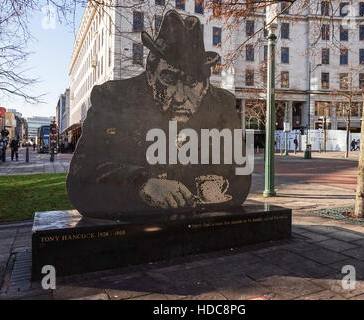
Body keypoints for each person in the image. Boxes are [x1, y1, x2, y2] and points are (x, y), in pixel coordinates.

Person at [66, 10, 251, 219]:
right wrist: (141, 185)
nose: (180, 97)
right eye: (168, 78)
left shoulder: (221, 103)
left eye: (192, 82)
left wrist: (216, 186)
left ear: (206, 84)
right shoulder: (114, 98)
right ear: (150, 74)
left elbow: (241, 179)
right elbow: (81, 179)